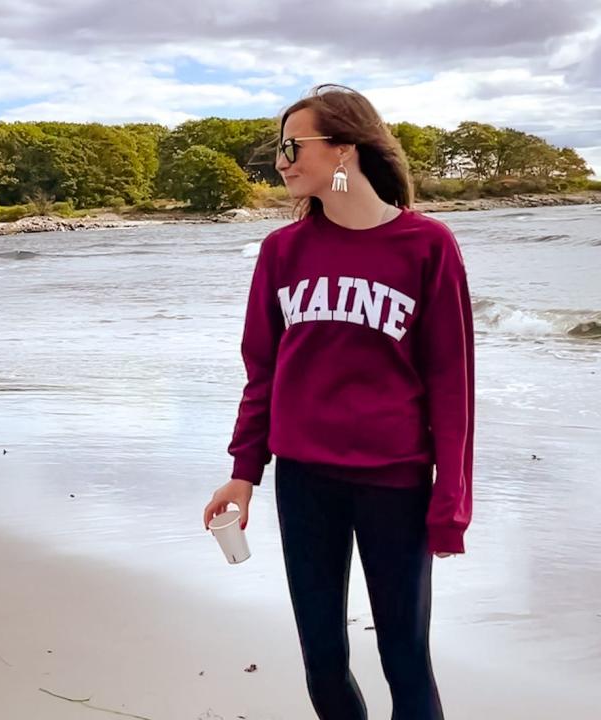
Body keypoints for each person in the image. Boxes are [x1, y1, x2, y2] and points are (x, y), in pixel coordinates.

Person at [203, 84, 474, 720]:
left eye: (294, 146)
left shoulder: (427, 246)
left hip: (395, 481)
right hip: (304, 482)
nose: (282, 161)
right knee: (322, 658)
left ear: (345, 151)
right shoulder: (281, 252)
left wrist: (451, 501)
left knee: (405, 657)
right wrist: (244, 473)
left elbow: (452, 384)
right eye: (280, 148)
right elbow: (262, 371)